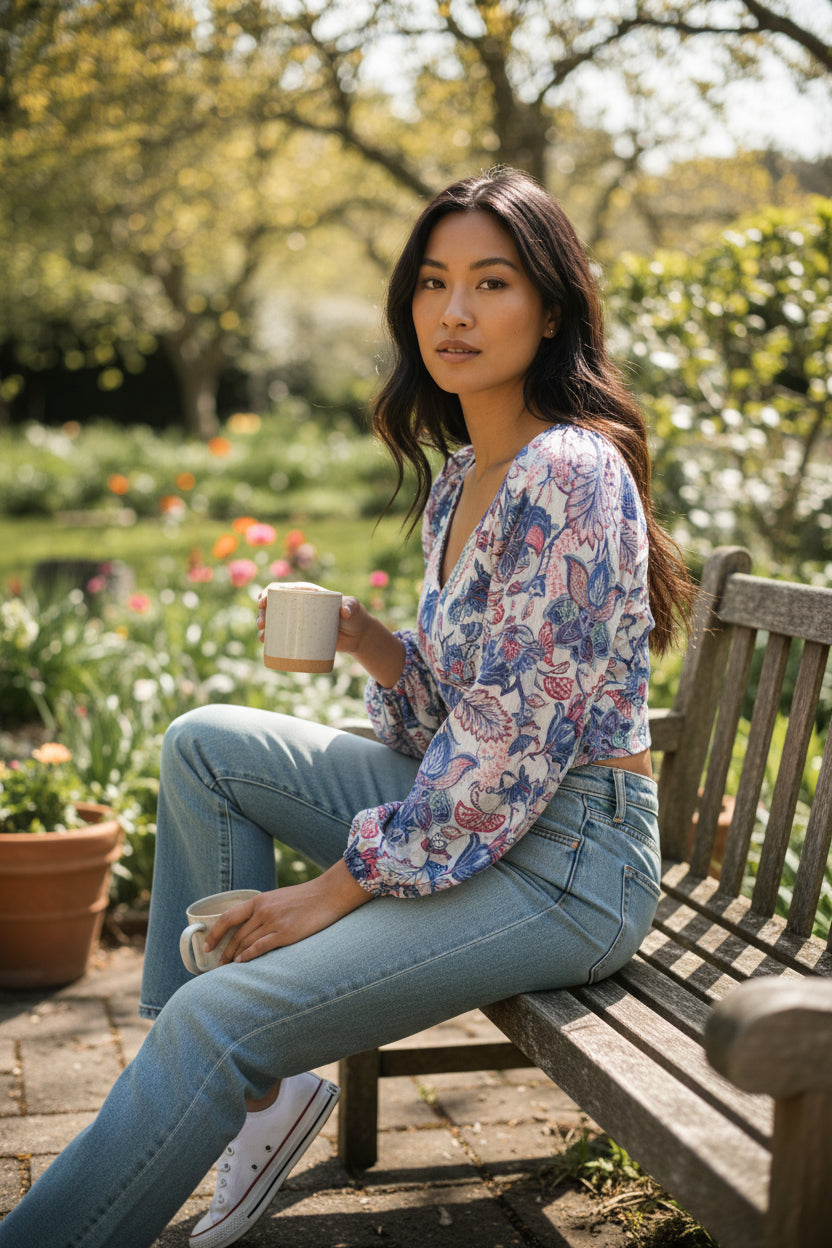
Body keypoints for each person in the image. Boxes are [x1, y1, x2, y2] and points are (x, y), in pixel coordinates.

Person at [0, 167, 694, 1248]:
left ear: (549, 309)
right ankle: (250, 1102)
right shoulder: (468, 473)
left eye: (491, 283)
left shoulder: (570, 471)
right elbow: (442, 731)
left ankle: (206, 1082)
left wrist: (331, 890)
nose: (452, 313)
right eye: (431, 282)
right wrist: (379, 647)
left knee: (218, 1018)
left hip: (569, 866)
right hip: (485, 818)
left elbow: (507, 750)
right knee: (205, 745)